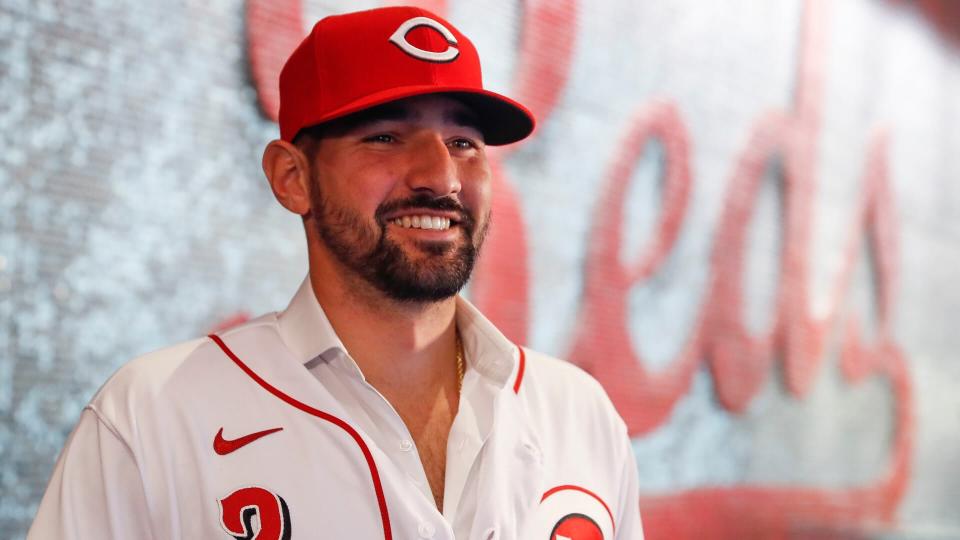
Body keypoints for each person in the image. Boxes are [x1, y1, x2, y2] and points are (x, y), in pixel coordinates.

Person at [28, 6, 643, 539]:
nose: (441, 176)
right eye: (384, 137)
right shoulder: (151, 415)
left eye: (464, 143)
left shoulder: (578, 413)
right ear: (292, 178)